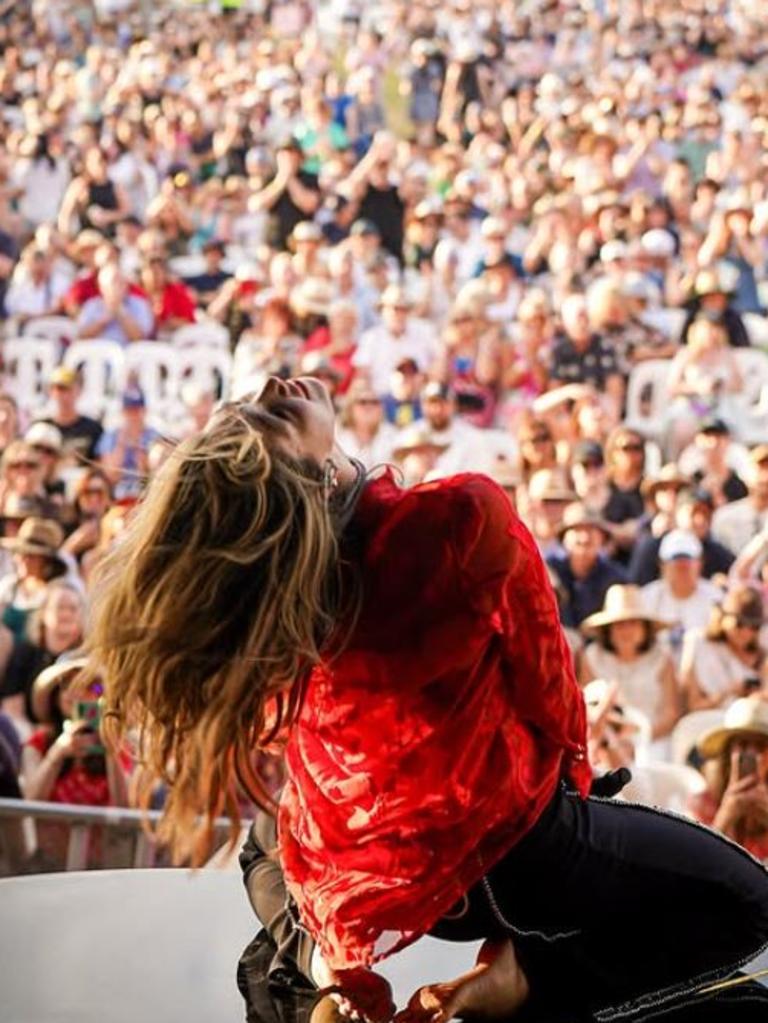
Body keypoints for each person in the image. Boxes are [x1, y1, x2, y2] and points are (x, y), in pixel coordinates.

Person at [88, 376, 768, 1023]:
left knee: (267, 842)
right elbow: (547, 689)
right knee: (749, 902)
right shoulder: (457, 517)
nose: (270, 388)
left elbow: (287, 736)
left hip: (361, 878)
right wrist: (575, 790)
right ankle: (528, 981)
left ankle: (325, 974)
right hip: (512, 857)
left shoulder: (294, 607)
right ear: (308, 482)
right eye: (268, 419)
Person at [580, 585, 680, 741]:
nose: (626, 631)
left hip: (655, 742)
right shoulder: (592, 657)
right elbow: (585, 707)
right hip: (605, 743)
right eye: (619, 624)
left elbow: (670, 713)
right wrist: (614, 739)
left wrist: (641, 738)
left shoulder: (662, 657)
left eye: (633, 623)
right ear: (609, 630)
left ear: (645, 628)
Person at [693, 697, 768, 862]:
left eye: (760, 746)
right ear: (727, 753)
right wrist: (726, 815)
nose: (752, 753)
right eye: (743, 745)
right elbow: (697, 864)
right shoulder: (703, 802)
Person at [680, 586, 767, 712]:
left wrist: (758, 697)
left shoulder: (763, 653)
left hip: (753, 723)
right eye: (740, 623)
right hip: (710, 722)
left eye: (754, 626)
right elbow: (692, 706)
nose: (746, 631)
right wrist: (729, 692)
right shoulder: (698, 644)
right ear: (722, 617)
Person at [547, 504, 626, 627]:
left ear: (603, 538)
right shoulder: (549, 570)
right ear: (564, 538)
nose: (584, 538)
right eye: (577, 530)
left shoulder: (616, 577)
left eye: (591, 530)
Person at [37, 366, 103, 466]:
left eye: (67, 389)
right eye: (58, 388)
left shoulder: (93, 429)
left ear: (79, 391)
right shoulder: (40, 427)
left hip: (81, 479)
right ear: (51, 392)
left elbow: (99, 463)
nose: (62, 395)